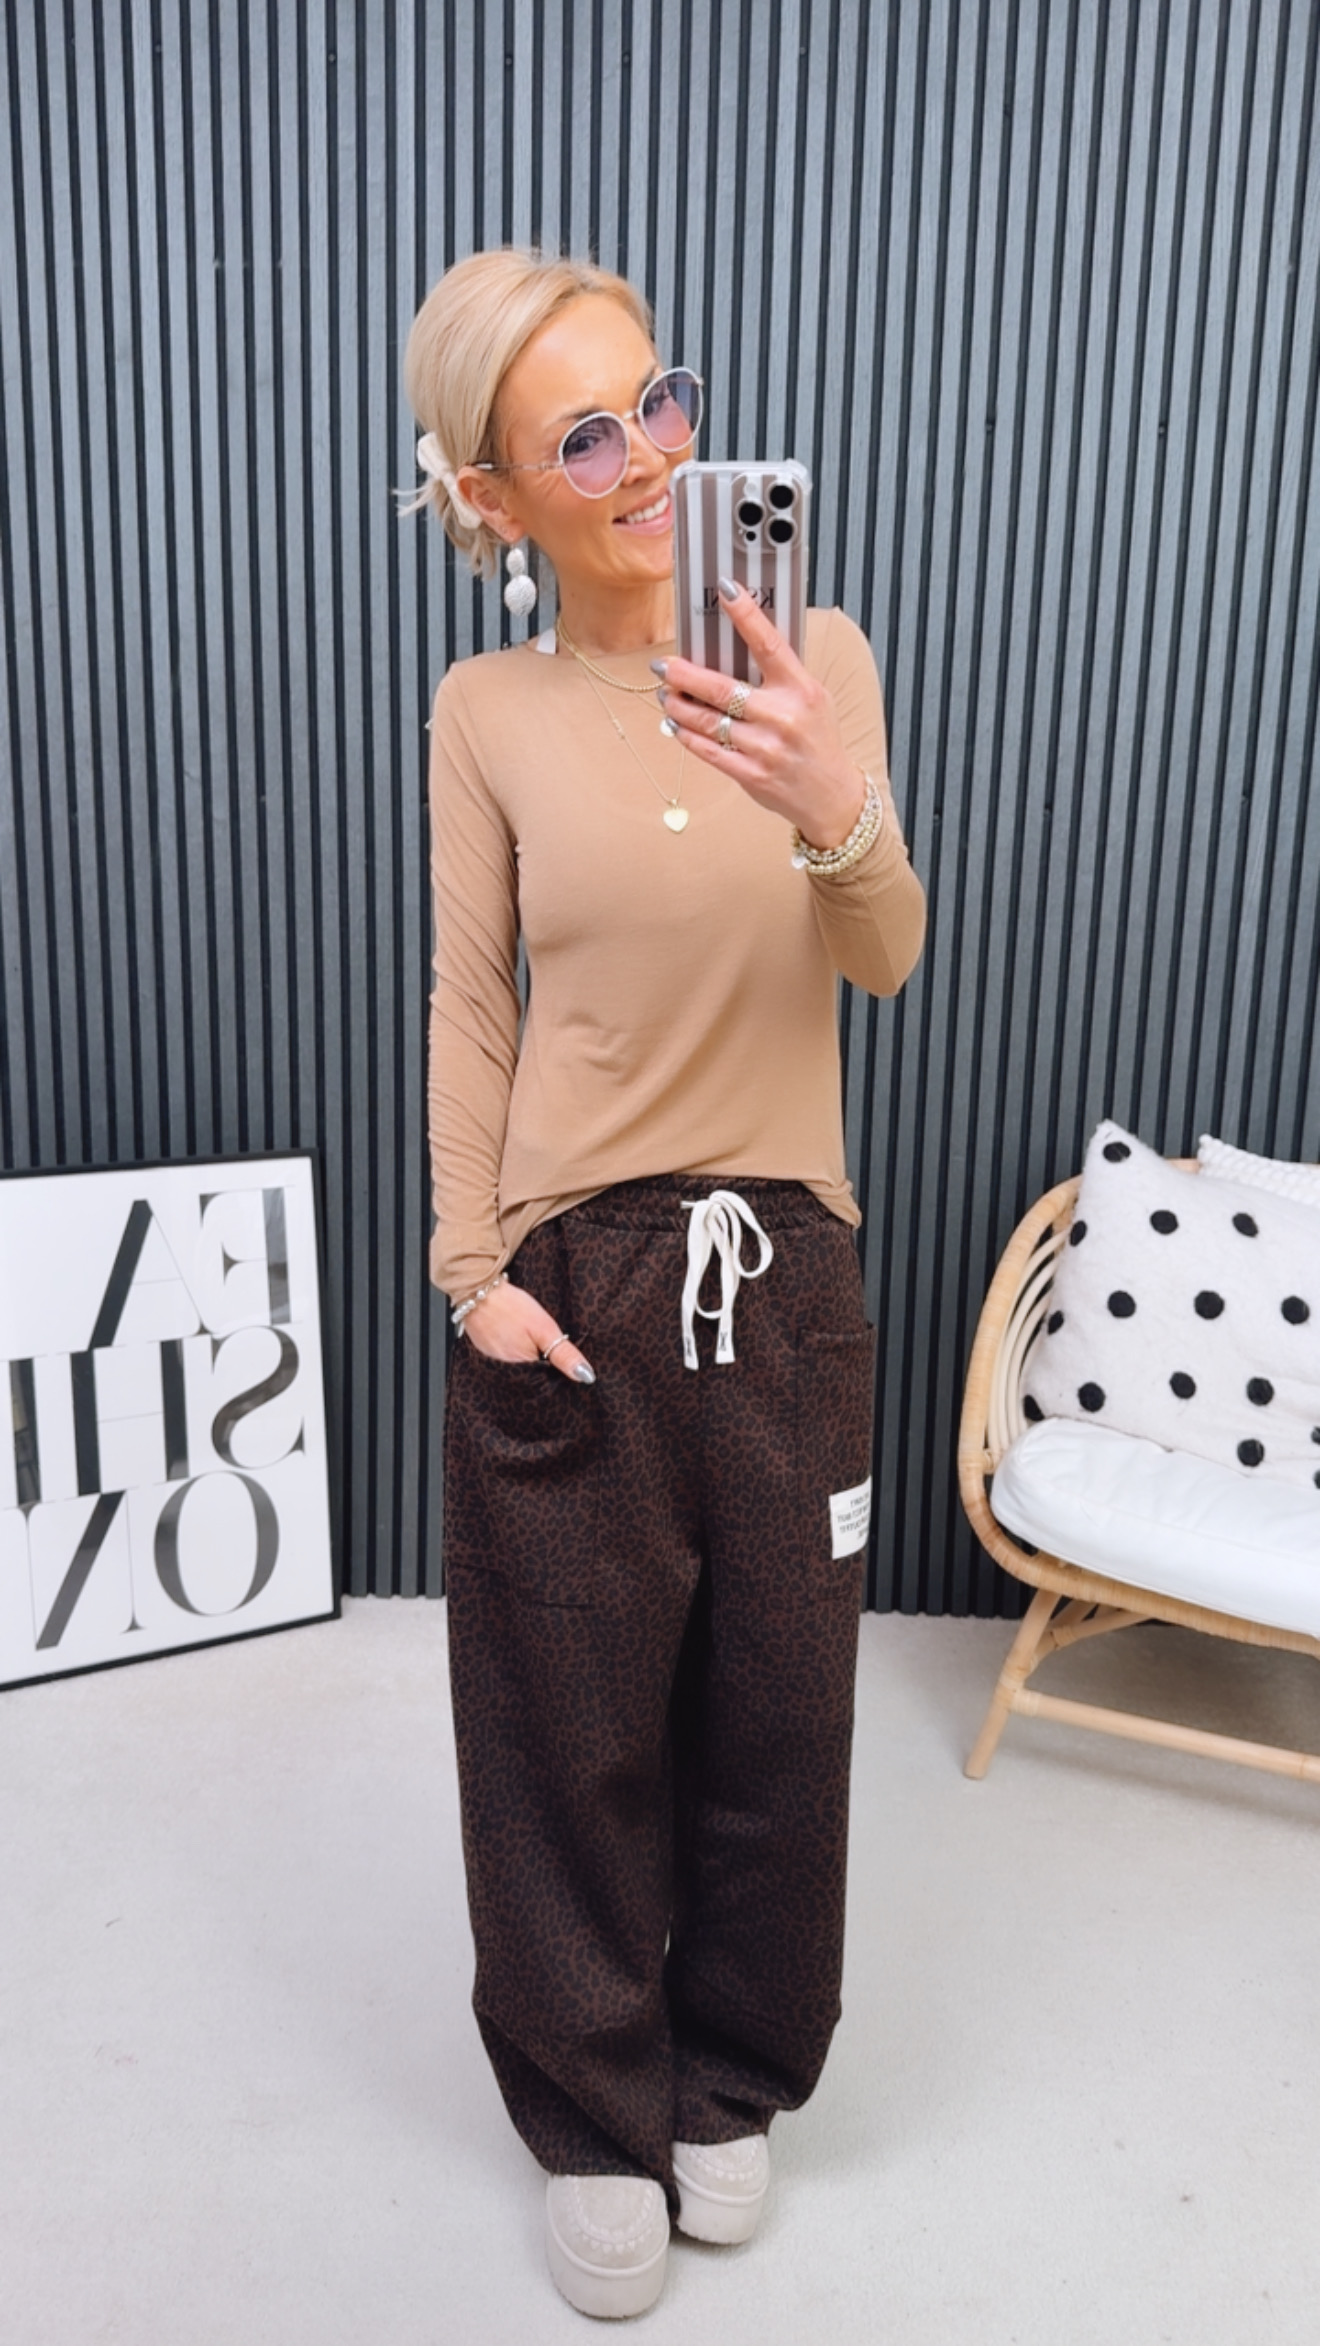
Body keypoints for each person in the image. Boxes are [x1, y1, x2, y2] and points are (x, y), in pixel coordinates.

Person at [404, 246, 926, 2321]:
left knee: (781, 1716)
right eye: (586, 436)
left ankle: (729, 2077)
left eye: (662, 401)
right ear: (494, 497)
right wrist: (473, 1275)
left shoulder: (819, 655)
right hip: (575, 1275)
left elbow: (885, 954)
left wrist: (829, 802)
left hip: (786, 1268)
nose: (648, 459)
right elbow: (469, 1001)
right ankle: (590, 2106)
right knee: (566, 1723)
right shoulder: (488, 711)